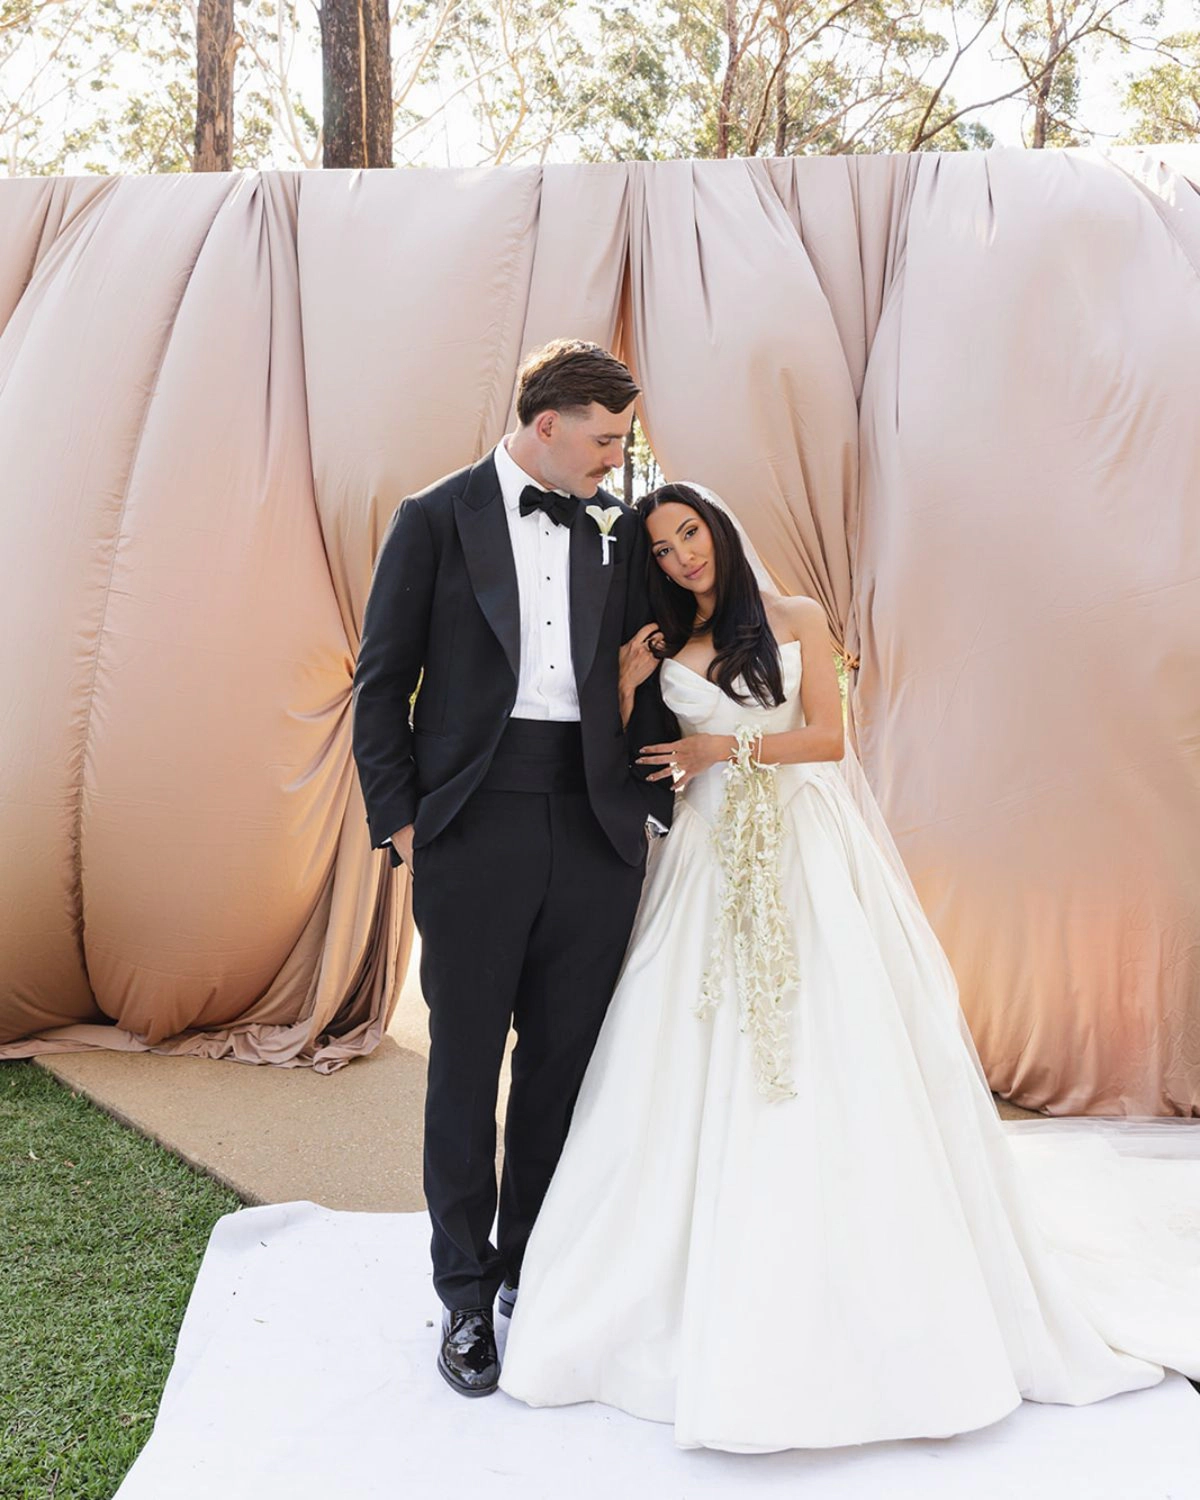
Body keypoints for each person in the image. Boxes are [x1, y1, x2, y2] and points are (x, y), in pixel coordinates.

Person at [499, 482, 1200, 1451]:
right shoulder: (663, 644)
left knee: (836, 1038)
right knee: (679, 1052)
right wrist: (625, 687)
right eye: (660, 548)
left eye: (689, 533)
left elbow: (829, 739)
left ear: (717, 529)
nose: (681, 556)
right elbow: (634, 759)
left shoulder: (794, 617)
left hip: (805, 846)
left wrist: (723, 747)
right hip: (704, 861)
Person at [351, 341, 675, 1398]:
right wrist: (404, 828)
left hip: (594, 827)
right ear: (548, 424)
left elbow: (659, 665)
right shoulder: (433, 519)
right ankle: (461, 1293)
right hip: (471, 825)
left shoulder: (617, 529)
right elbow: (380, 686)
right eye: (606, 438)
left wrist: (652, 800)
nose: (617, 457)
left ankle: (531, 1268)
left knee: (561, 1063)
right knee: (464, 1062)